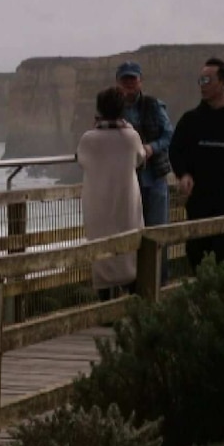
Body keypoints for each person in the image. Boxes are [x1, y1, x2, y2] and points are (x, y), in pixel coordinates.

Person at [169, 57, 224, 272]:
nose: (203, 85)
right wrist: (183, 174)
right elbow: (175, 150)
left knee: (223, 257)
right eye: (200, 80)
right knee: (196, 255)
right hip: (198, 201)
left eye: (208, 80)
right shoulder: (190, 120)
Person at [77, 87, 145, 300]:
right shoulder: (131, 136)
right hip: (125, 201)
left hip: (98, 203)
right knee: (130, 248)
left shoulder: (89, 138)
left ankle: (105, 305)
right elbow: (140, 158)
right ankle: (133, 299)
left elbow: (81, 158)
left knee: (101, 251)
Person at [114, 61, 174, 282]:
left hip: (154, 180)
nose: (129, 83)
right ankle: (134, 288)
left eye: (133, 79)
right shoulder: (113, 109)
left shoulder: (154, 105)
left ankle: (160, 284)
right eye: (125, 79)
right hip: (127, 183)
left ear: (140, 81)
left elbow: (169, 134)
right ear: (118, 83)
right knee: (129, 237)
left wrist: (151, 148)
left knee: (157, 235)